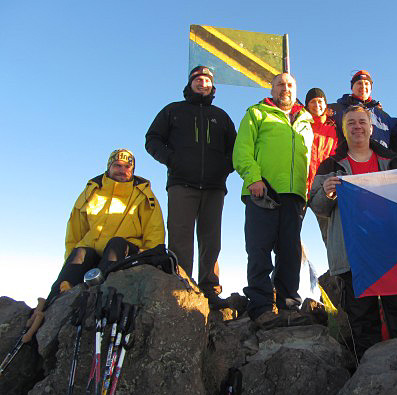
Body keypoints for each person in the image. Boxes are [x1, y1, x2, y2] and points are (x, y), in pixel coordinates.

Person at [309, 105, 397, 360]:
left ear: (371, 128)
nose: (357, 126)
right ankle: (370, 382)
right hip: (353, 256)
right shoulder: (330, 164)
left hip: (392, 252)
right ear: (343, 129)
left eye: (362, 122)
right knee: (363, 322)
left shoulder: (392, 161)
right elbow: (317, 206)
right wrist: (325, 192)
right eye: (351, 123)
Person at [145, 66, 237, 309]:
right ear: (190, 84)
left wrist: (223, 168)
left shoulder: (222, 116)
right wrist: (172, 160)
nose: (202, 83)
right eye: (198, 79)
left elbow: (236, 150)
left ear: (212, 86)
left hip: (214, 187)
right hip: (181, 184)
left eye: (207, 80)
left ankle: (210, 289)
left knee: (211, 239)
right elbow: (152, 139)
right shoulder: (173, 111)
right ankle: (180, 286)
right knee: (180, 237)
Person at [232, 72, 314, 329]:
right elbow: (242, 150)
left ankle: (290, 302)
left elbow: (313, 158)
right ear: (272, 89)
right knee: (259, 250)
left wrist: (308, 191)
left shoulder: (306, 120)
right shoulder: (256, 113)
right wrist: (254, 178)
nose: (285, 88)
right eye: (280, 84)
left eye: (290, 84)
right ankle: (261, 306)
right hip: (262, 190)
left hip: (295, 195)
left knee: (290, 252)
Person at [47, 149, 165, 302]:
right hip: (93, 251)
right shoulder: (91, 192)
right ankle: (51, 305)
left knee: (116, 244)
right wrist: (69, 260)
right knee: (80, 252)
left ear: (133, 170)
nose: (122, 170)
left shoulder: (143, 195)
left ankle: (99, 301)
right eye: (117, 165)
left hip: (124, 252)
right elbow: (75, 231)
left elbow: (154, 229)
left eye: (127, 167)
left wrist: (150, 260)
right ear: (109, 167)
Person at [329, 70, 397, 148]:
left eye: (366, 83)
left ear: (371, 88)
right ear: (352, 88)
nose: (363, 86)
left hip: (379, 158)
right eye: (359, 83)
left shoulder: (382, 116)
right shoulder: (337, 110)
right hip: (349, 157)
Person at [304, 87, 338, 245]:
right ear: (307, 105)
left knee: (330, 232)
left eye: (320, 101)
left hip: (323, 185)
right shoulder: (302, 125)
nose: (316, 105)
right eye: (312, 102)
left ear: (325, 104)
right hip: (302, 185)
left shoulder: (334, 127)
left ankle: (335, 268)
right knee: (290, 231)